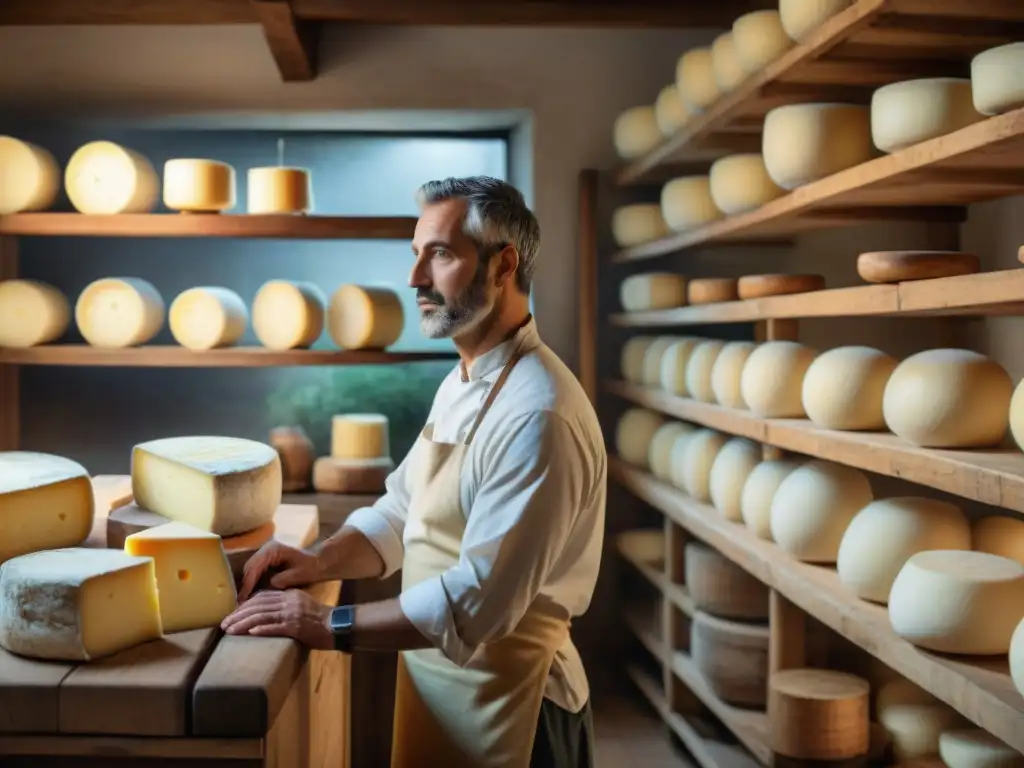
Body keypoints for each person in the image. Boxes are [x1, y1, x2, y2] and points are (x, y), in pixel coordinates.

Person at [221, 175, 607, 768]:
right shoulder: (465, 379)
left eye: (441, 255)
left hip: (519, 716)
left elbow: (478, 602)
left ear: (504, 267)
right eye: (415, 254)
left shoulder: (539, 413)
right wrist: (322, 559)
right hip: (445, 693)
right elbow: (403, 509)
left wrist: (330, 622)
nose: (414, 279)